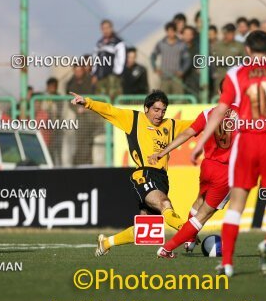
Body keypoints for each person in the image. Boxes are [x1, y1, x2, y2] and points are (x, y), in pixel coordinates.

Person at [191, 31, 266, 277]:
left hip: (246, 142)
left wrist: (199, 143)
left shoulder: (236, 73)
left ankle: (226, 264)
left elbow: (220, 111)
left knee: (236, 204)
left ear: (247, 50)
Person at [69, 90, 193, 256]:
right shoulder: (133, 118)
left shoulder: (170, 125)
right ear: (146, 108)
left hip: (162, 178)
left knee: (146, 230)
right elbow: (110, 110)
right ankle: (190, 233)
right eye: (156, 110)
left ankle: (106, 243)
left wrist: (220, 116)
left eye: (163, 110)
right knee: (165, 204)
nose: (159, 114)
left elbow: (196, 125)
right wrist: (87, 102)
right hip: (144, 174)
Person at [149, 81, 237, 258]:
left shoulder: (208, 113)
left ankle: (189, 241)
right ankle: (167, 248)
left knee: (199, 201)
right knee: (204, 214)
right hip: (226, 172)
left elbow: (187, 134)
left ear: (219, 92)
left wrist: (163, 152)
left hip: (207, 166)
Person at [150, 22, 190, 96]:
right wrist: (155, 68)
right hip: (164, 77)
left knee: (179, 100)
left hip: (176, 78)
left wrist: (182, 71)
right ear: (166, 32)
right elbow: (153, 56)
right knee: (163, 99)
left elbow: (187, 60)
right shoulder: (161, 43)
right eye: (169, 31)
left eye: (172, 31)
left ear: (175, 32)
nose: (171, 33)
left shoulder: (181, 44)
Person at [92, 19, 126, 101]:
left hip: (112, 77)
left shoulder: (118, 42)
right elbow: (95, 59)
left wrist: (117, 73)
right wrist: (94, 73)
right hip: (100, 77)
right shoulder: (99, 43)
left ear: (111, 28)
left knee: (113, 99)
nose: (105, 30)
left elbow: (121, 59)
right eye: (103, 28)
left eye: (107, 28)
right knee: (100, 101)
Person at [212, 23, 245, 91]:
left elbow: (246, 60)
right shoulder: (217, 46)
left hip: (236, 77)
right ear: (224, 34)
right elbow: (214, 60)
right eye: (229, 33)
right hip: (221, 77)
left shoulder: (239, 45)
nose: (231, 35)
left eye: (232, 33)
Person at [182, 26, 200, 99]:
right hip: (181, 77)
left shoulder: (197, 48)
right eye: (185, 34)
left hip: (193, 77)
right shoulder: (178, 47)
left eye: (189, 34)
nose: (187, 36)